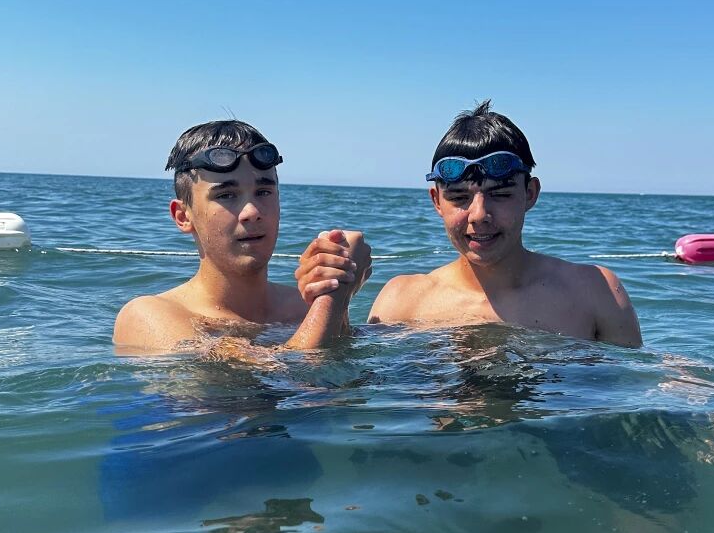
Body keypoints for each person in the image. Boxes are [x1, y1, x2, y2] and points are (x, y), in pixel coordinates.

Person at [365, 101, 642, 347]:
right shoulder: (402, 301)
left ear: (530, 194)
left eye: (500, 195)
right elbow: (353, 381)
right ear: (437, 201)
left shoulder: (595, 292)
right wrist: (341, 297)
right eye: (459, 197)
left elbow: (634, 380)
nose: (479, 215)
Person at [113, 120, 370, 352]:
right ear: (183, 216)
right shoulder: (149, 315)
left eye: (264, 192)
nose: (252, 212)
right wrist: (336, 293)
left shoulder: (305, 308)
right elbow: (288, 377)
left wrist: (335, 280)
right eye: (226, 195)